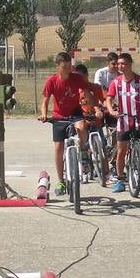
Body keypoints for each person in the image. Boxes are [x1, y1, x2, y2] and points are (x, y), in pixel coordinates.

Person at [104, 52, 140, 193]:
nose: (120, 66)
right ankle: (120, 179)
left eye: (123, 63)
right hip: (123, 120)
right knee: (121, 151)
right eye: (118, 63)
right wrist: (111, 110)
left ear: (129, 64)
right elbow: (109, 98)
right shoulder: (116, 82)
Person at [39, 52, 90, 188]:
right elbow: (45, 101)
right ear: (57, 66)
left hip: (75, 113)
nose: (68, 69)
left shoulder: (77, 78)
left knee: (82, 127)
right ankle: (61, 180)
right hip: (58, 116)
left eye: (69, 66)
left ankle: (83, 149)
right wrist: (44, 114)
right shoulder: (52, 81)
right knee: (58, 147)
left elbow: (86, 92)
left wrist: (91, 108)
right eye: (64, 67)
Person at [74, 63, 111, 185]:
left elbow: (105, 100)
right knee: (82, 144)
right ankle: (84, 170)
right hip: (82, 121)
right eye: (76, 77)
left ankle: (107, 174)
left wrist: (105, 108)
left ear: (86, 75)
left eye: (81, 77)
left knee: (103, 146)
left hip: (96, 120)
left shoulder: (95, 87)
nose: (79, 80)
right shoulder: (75, 90)